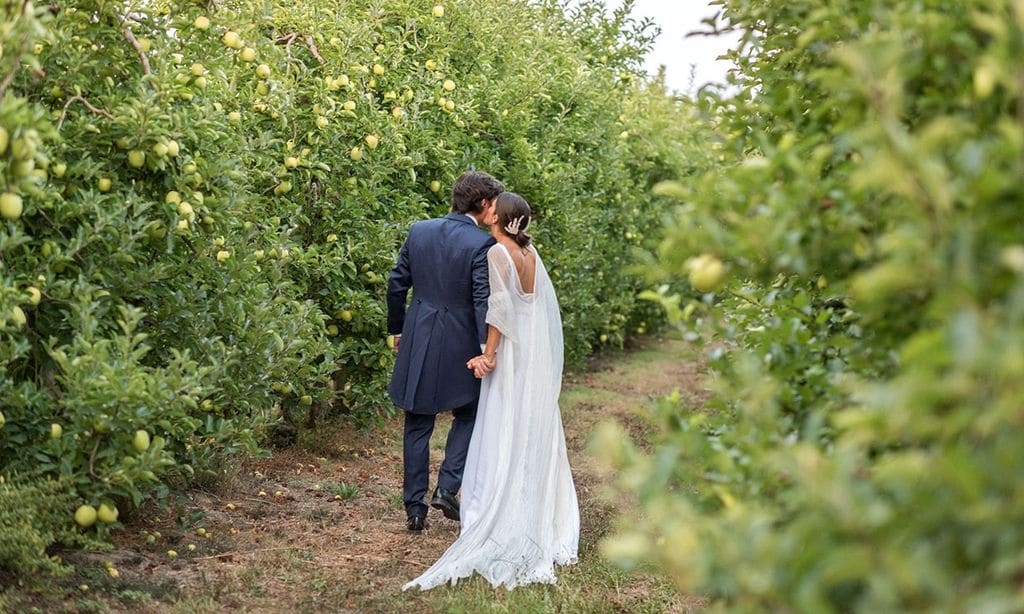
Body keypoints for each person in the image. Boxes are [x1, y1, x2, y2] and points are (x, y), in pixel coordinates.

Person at [404, 192, 580, 590]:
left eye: (493, 207)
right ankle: (537, 508)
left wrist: (488, 354)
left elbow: (499, 309)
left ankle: (498, 508)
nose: (488, 211)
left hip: (509, 349)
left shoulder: (498, 253)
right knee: (528, 422)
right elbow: (534, 309)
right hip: (531, 351)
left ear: (499, 216)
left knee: (502, 422)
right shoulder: (530, 255)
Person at [386, 171, 504, 532]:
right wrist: (487, 350)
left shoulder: (419, 230)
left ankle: (414, 508)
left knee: (417, 422)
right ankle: (447, 487)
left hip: (419, 336)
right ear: (483, 203)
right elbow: (482, 299)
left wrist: (397, 329)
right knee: (469, 414)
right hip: (461, 343)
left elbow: (396, 284)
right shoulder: (481, 244)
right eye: (494, 204)